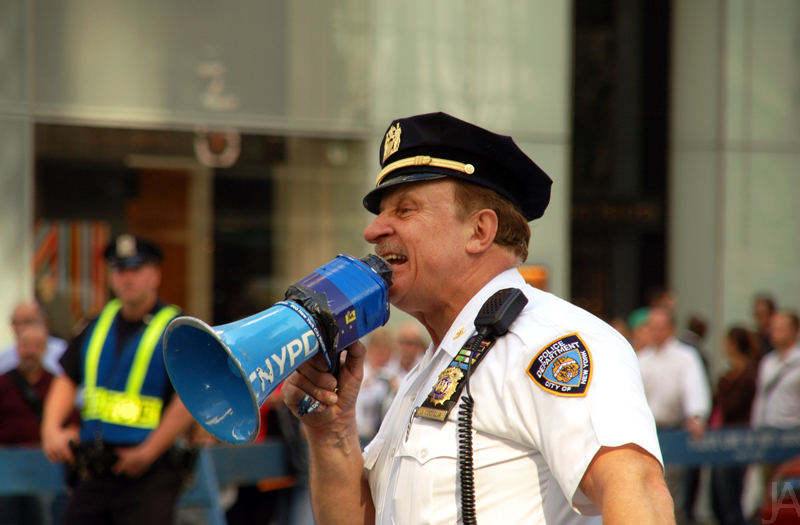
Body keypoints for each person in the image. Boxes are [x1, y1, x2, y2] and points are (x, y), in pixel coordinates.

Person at [282, 112, 673, 523]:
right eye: (382, 213)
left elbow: (636, 490)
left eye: (406, 210)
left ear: (480, 232)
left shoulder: (551, 342)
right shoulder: (430, 369)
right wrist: (332, 431)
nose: (375, 230)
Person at [40, 233, 196, 525]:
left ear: (155, 275)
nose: (127, 278)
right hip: (95, 467)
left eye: (136, 269)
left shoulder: (176, 329)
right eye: (119, 270)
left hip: (148, 471)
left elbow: (188, 398)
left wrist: (148, 452)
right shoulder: (96, 324)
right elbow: (67, 378)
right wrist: (50, 429)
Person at [0, 324, 80, 524]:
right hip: (7, 469)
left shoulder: (58, 385)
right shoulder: (3, 384)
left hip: (49, 467)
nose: (30, 352)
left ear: (45, 349)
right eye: (25, 345)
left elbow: (74, 425)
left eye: (36, 346)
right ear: (17, 347)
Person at [637, 307, 710, 521]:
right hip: (647, 431)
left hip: (675, 429)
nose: (657, 332)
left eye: (661, 327)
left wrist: (696, 415)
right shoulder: (641, 358)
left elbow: (694, 387)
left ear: (671, 328)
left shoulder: (685, 356)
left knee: (672, 486)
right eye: (653, 327)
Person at [708, 326, 757, 525]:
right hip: (719, 439)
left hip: (739, 440)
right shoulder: (727, 376)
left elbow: (730, 407)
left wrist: (724, 385)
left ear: (733, 345)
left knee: (732, 496)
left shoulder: (747, 377)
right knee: (718, 497)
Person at [0, 300, 68, 375]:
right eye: (16, 323)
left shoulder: (63, 352)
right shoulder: (3, 358)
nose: (21, 328)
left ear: (44, 322)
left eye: (27, 322)